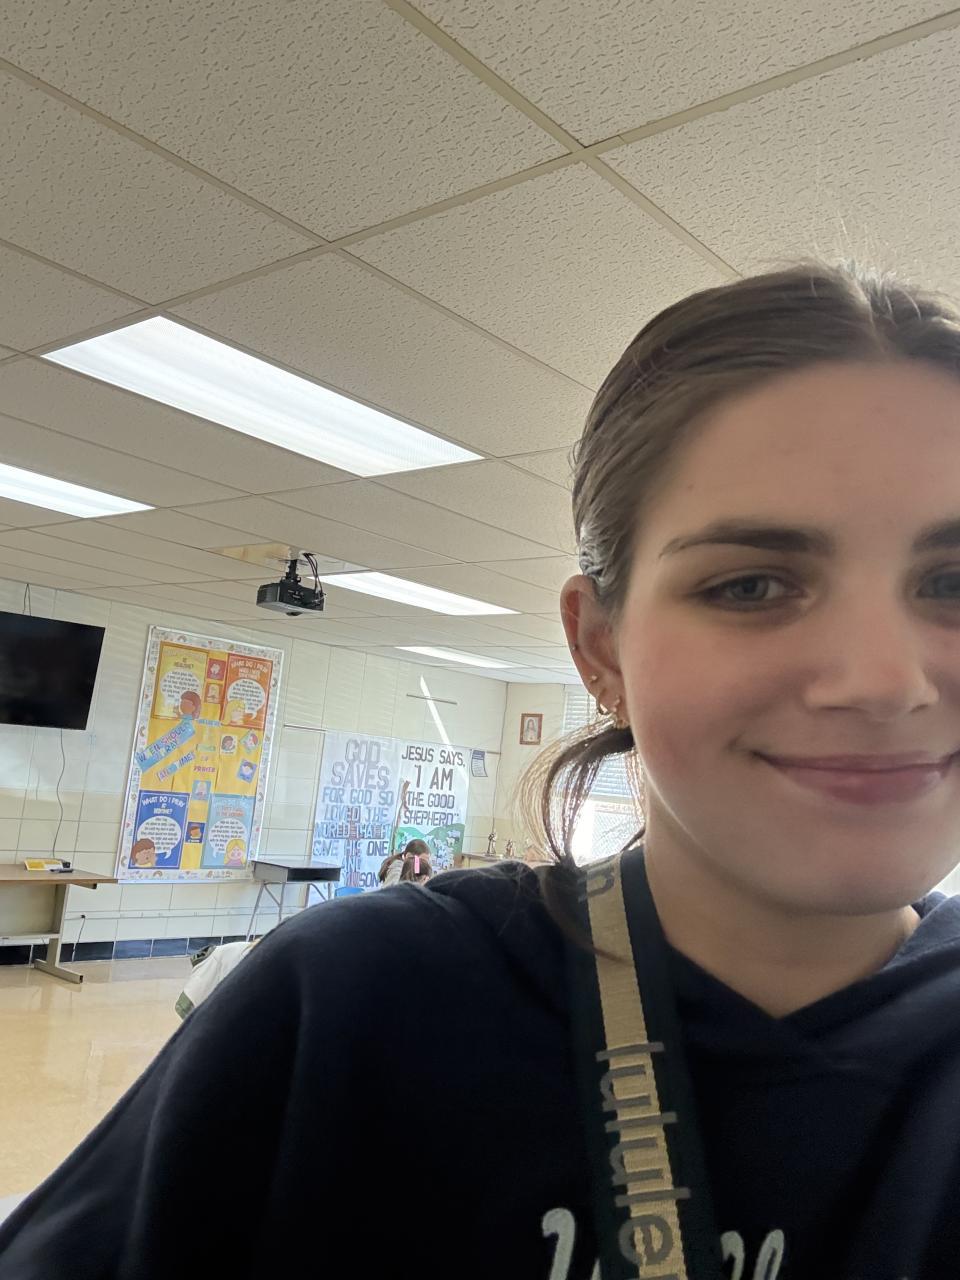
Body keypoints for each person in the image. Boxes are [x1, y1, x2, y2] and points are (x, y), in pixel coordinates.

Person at [5, 263, 960, 1279]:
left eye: (952, 581)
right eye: (753, 585)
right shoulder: (353, 1004)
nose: (882, 682)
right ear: (600, 647)